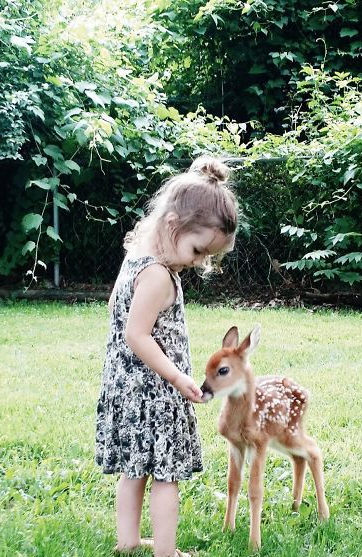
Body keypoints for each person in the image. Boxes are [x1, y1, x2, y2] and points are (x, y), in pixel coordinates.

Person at [95, 156, 239, 557]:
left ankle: (127, 542)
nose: (198, 262)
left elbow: (114, 308)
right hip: (154, 392)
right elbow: (136, 333)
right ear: (174, 225)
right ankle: (166, 552)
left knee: (134, 469)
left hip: (126, 386)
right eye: (197, 250)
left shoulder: (137, 258)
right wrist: (176, 376)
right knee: (166, 477)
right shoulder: (158, 274)